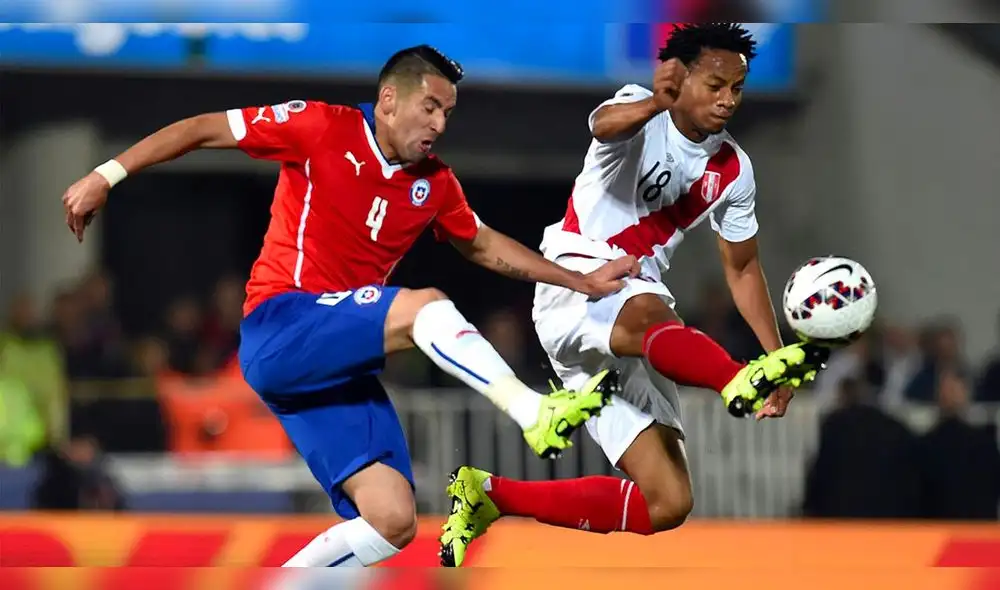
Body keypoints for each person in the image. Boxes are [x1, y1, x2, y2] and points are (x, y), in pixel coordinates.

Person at [60, 45, 638, 568]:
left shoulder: (435, 183)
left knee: (392, 520)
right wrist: (106, 175)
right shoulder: (319, 126)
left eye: (448, 114)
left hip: (336, 365)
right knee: (424, 307)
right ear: (389, 100)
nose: (438, 123)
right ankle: (531, 411)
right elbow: (203, 128)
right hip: (281, 323)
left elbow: (483, 245)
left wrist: (582, 281)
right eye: (430, 106)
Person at [440, 24, 829, 566]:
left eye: (736, 88)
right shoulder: (638, 112)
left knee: (668, 502)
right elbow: (602, 123)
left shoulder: (734, 169)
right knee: (649, 311)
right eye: (715, 84)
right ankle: (730, 378)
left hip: (628, 313)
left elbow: (741, 268)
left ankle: (489, 495)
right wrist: (654, 103)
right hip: (577, 277)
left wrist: (773, 359)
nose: (727, 100)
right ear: (681, 76)